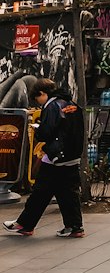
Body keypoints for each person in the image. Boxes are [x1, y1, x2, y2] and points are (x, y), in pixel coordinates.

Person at [4, 79, 85, 239]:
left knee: (41, 192)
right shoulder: (71, 104)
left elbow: (46, 132)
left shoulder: (52, 105)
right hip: (71, 156)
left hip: (55, 157)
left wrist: (38, 129)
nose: (38, 102)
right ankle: (74, 226)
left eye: (37, 98)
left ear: (42, 93)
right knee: (67, 193)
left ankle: (25, 224)